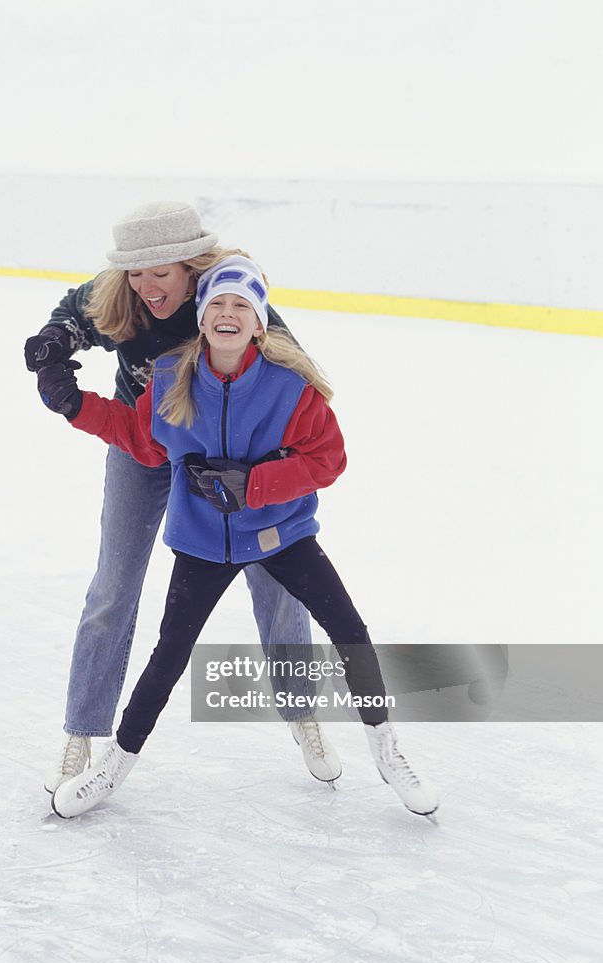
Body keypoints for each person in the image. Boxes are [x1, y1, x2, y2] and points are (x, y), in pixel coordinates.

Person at [36, 254, 439, 820]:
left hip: (281, 535)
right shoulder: (173, 377)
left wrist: (254, 484)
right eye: (218, 304)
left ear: (259, 322)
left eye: (242, 307)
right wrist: (74, 403)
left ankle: (387, 751)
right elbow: (142, 440)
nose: (228, 314)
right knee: (168, 657)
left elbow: (328, 457)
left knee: (349, 630)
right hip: (204, 543)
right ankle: (113, 765)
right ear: (201, 317)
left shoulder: (288, 384)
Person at [25, 202, 341, 793]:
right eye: (135, 273)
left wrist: (260, 476)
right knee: (114, 584)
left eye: (160, 274)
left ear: (191, 268)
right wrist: (52, 345)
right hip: (146, 440)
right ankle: (82, 731)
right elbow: (76, 311)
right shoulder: (122, 294)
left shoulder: (231, 305)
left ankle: (302, 711)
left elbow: (301, 403)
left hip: (232, 461)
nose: (147, 287)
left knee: (276, 582)